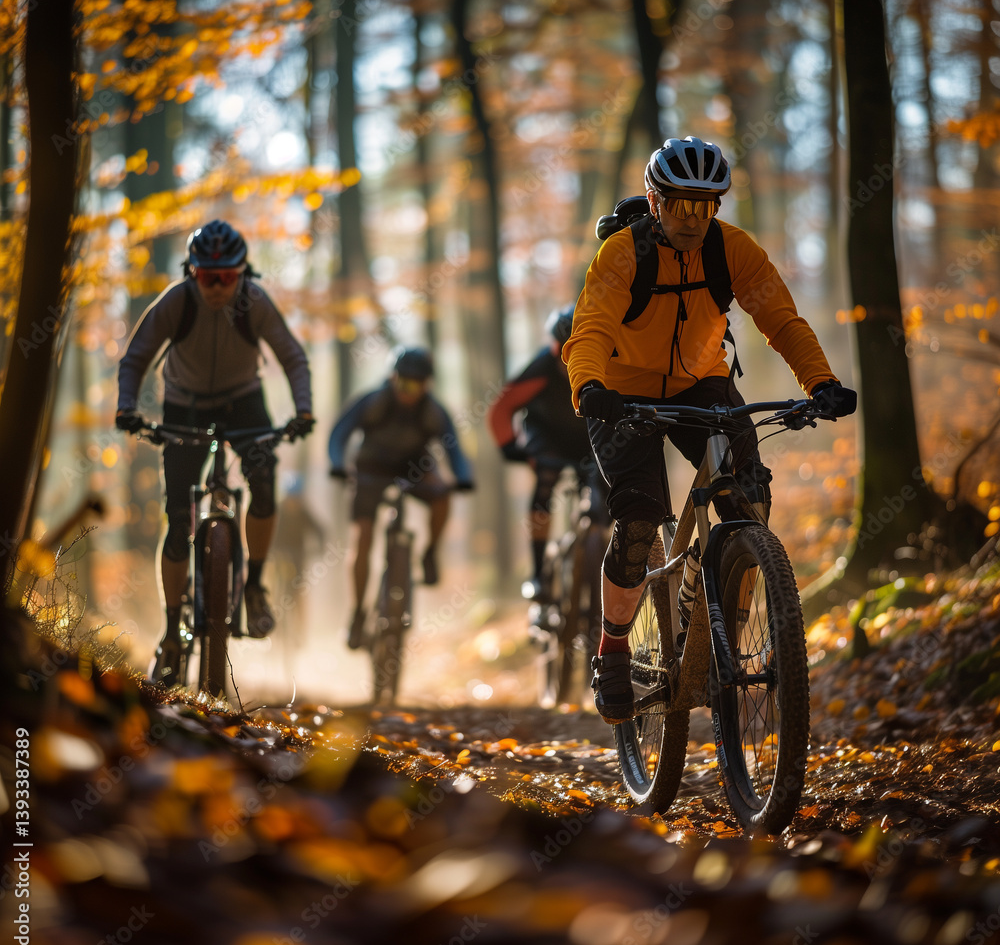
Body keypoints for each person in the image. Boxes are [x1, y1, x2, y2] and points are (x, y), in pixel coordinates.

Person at [563, 136, 857, 724]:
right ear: (655, 201)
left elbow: (781, 318)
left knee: (749, 496)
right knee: (641, 518)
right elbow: (591, 326)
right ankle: (614, 649)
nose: (693, 219)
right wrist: (590, 386)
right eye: (680, 205)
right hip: (620, 393)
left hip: (702, 381)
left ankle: (717, 619)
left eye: (705, 205)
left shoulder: (734, 250)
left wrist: (820, 382)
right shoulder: (622, 254)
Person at [115, 220, 315, 681]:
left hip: (244, 401)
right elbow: (137, 357)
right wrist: (128, 407)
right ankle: (170, 631)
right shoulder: (175, 302)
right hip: (182, 406)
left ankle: (255, 585)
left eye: (229, 276)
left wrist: (303, 411)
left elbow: (292, 356)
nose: (219, 287)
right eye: (209, 277)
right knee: (178, 518)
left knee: (263, 486)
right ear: (193, 272)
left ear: (244, 274)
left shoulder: (255, 303)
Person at [328, 346, 475, 648]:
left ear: (427, 384)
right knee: (364, 536)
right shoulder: (372, 402)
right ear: (392, 378)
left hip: (414, 467)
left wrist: (462, 477)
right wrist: (337, 464)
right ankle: (358, 612)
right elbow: (339, 434)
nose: (410, 391)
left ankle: (430, 552)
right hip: (371, 468)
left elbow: (454, 448)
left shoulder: (433, 411)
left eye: (418, 384)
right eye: (404, 383)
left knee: (442, 496)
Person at [488, 304, 609, 600]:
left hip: (587, 439)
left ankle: (601, 559)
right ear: (554, 347)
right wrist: (510, 448)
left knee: (605, 485)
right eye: (561, 351)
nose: (567, 360)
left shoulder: (603, 365)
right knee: (546, 478)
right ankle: (538, 572)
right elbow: (502, 410)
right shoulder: (541, 368)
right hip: (546, 437)